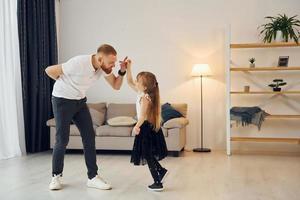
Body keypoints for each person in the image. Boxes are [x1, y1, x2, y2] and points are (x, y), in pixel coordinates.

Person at [45, 44, 128, 190]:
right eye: (111, 63)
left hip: (80, 101)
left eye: (114, 63)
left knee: (89, 136)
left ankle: (92, 177)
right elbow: (49, 70)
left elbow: (116, 86)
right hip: (62, 99)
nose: (113, 66)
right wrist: (63, 84)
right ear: (100, 58)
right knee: (62, 139)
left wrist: (122, 71)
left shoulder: (103, 68)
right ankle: (56, 177)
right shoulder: (78, 63)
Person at [126, 60, 168, 192]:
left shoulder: (145, 98)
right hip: (146, 127)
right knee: (146, 153)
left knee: (148, 155)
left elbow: (143, 116)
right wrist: (128, 68)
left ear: (144, 86)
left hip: (145, 128)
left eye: (138, 81)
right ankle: (160, 170)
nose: (135, 82)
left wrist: (136, 127)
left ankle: (158, 182)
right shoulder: (141, 93)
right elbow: (128, 81)